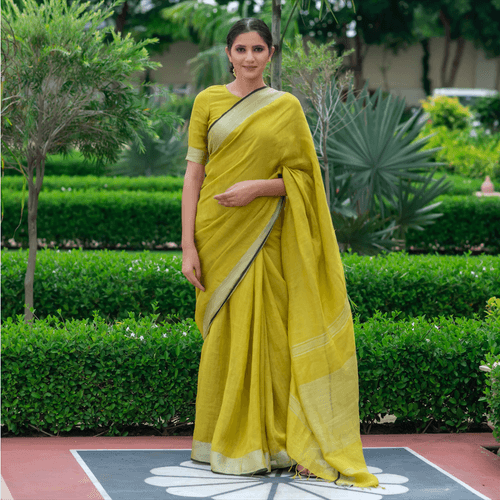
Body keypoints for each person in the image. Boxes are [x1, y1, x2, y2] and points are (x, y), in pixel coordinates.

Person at [181, 17, 379, 488]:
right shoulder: (207, 101)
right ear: (227, 53)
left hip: (264, 235)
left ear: (271, 54)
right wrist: (188, 244)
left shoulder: (286, 108)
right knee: (225, 337)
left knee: (268, 337)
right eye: (241, 49)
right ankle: (220, 438)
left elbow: (306, 180)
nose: (249, 58)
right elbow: (193, 175)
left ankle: (273, 440)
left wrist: (258, 188)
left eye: (258, 49)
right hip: (216, 234)